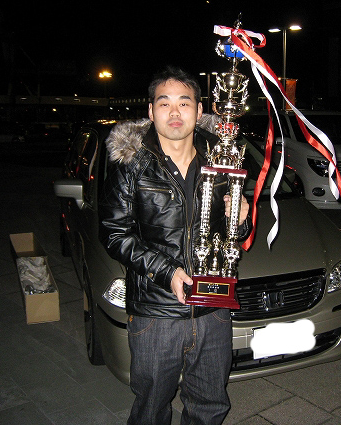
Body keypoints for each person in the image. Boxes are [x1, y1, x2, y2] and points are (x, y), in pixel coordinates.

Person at [99, 66, 251, 425]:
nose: (174, 112)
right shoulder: (132, 164)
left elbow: (232, 232)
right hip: (157, 313)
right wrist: (166, 272)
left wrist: (241, 218)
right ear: (151, 112)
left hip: (213, 308)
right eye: (164, 103)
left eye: (184, 103)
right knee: (151, 407)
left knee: (211, 404)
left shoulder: (221, 159)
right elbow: (114, 234)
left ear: (199, 111)